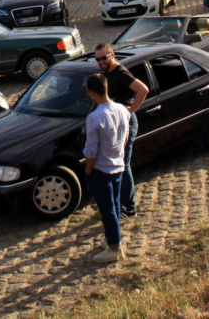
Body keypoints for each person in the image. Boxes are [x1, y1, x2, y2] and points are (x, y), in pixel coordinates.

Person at [94, 43, 149, 221]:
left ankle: (130, 207)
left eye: (104, 58)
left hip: (126, 122)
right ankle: (119, 203)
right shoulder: (108, 73)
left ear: (112, 55)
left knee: (123, 165)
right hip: (115, 122)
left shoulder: (120, 72)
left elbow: (143, 90)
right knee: (116, 164)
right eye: (98, 59)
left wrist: (130, 110)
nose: (101, 61)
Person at [83, 73, 130, 263]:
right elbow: (126, 137)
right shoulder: (122, 109)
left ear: (92, 92)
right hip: (118, 165)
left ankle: (114, 246)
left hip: (102, 170)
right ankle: (112, 237)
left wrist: (88, 170)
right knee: (116, 205)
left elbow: (91, 150)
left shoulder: (95, 117)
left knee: (107, 208)